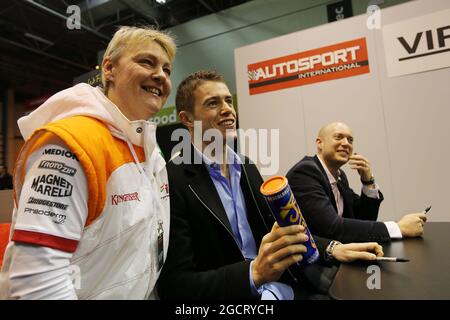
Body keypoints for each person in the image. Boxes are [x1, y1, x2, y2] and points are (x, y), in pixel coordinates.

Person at [157, 71, 384, 300]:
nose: (227, 109)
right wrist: (254, 273)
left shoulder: (246, 166)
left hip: (280, 285)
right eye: (213, 103)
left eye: (228, 100)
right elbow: (176, 285)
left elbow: (277, 228)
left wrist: (333, 248)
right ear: (187, 119)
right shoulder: (173, 179)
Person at [0, 26, 176, 299]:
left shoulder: (150, 150)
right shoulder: (70, 144)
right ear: (109, 69)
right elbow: (37, 281)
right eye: (146, 62)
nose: (160, 76)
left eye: (167, 69)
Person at [286, 122, 427, 243]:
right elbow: (331, 228)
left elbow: (364, 218)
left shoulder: (340, 177)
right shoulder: (305, 172)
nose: (346, 143)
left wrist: (368, 181)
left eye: (350, 140)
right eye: (338, 137)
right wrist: (398, 228)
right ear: (320, 143)